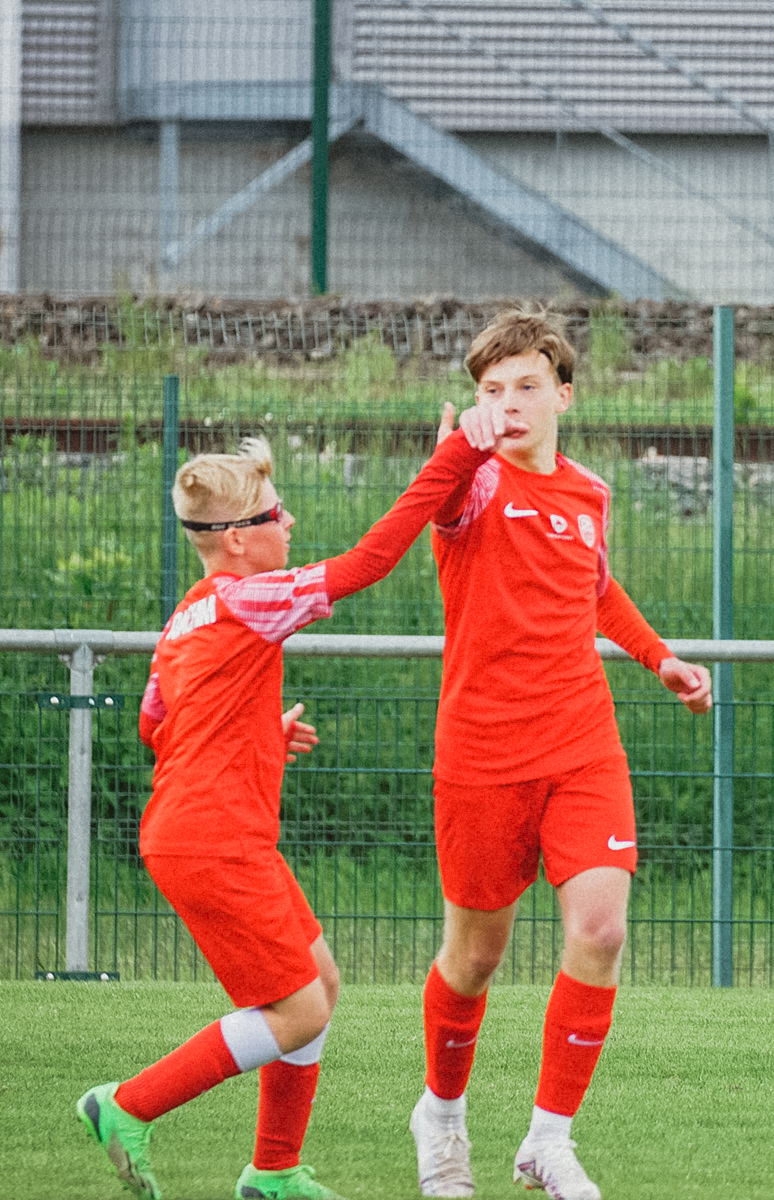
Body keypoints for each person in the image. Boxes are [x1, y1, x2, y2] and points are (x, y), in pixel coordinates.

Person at [77, 403, 520, 1200]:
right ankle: (127, 1105)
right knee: (299, 1012)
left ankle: (275, 1172)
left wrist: (256, 731)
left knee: (320, 982)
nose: (289, 523)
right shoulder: (253, 595)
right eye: (274, 514)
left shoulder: (187, 614)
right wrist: (454, 458)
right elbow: (371, 561)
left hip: (204, 830)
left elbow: (155, 724)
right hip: (212, 839)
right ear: (236, 539)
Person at [408, 311, 713, 1200]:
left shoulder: (588, 493)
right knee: (474, 960)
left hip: (582, 745)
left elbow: (597, 588)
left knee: (601, 930)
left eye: (526, 386)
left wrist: (661, 659)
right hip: (481, 755)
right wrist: (453, 455)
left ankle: (547, 1140)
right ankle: (442, 1117)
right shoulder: (471, 483)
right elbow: (443, 503)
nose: (508, 403)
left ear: (563, 396)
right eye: (491, 389)